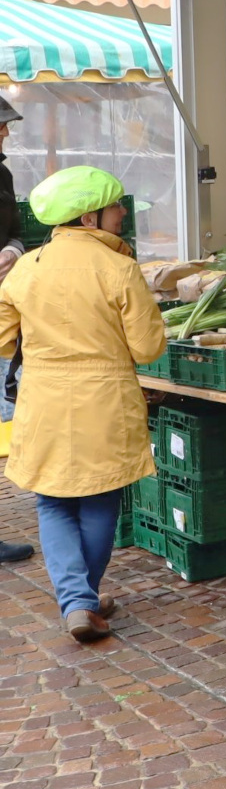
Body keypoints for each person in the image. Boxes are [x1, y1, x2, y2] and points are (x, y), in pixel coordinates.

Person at [0, 166, 165, 639]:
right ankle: (80, 600)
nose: (121, 213)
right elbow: (149, 347)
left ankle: (78, 602)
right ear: (89, 218)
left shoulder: (26, 269)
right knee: (99, 501)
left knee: (52, 503)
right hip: (105, 401)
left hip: (44, 401)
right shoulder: (119, 268)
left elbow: (2, 336)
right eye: (115, 206)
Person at [0, 94, 36, 565]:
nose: (7, 132)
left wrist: (12, 249)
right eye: (0, 125)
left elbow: (14, 229)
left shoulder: (2, 174)